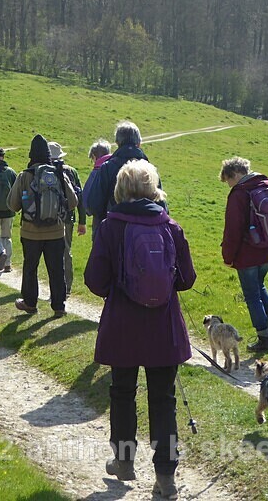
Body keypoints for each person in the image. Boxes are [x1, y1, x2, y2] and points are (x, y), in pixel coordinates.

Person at [84, 159, 195, 500]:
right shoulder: (170, 226)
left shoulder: (109, 226)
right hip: (163, 326)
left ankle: (124, 460)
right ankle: (166, 477)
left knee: (122, 392)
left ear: (121, 189)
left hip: (123, 324)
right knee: (164, 400)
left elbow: (95, 280)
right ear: (152, 189)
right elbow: (187, 279)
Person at [7, 134, 77, 317]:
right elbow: (73, 202)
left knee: (30, 268)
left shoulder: (24, 176)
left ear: (31, 155)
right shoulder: (59, 174)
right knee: (56, 269)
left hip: (30, 233)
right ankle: (59, 306)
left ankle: (30, 303)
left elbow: (13, 205)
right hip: (56, 232)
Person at [220, 156, 268, 352]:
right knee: (260, 285)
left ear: (235, 174)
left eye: (228, 180)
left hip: (248, 254)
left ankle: (263, 338)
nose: (228, 184)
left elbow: (233, 230)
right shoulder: (265, 185)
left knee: (252, 294)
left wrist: (228, 257)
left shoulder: (239, 194)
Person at [85, 121, 151, 225]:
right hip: (144, 231)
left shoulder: (107, 168)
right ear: (139, 143)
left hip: (113, 230)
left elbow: (93, 206)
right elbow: (161, 205)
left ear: (117, 143)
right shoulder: (149, 169)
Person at [48, 141, 86, 294]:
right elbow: (80, 197)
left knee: (51, 253)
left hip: (49, 218)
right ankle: (67, 286)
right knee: (66, 250)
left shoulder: (44, 171)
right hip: (68, 217)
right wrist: (82, 221)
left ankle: (55, 287)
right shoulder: (71, 171)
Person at [82, 138, 112, 239]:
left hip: (100, 221)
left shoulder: (96, 172)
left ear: (94, 157)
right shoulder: (119, 167)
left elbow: (86, 200)